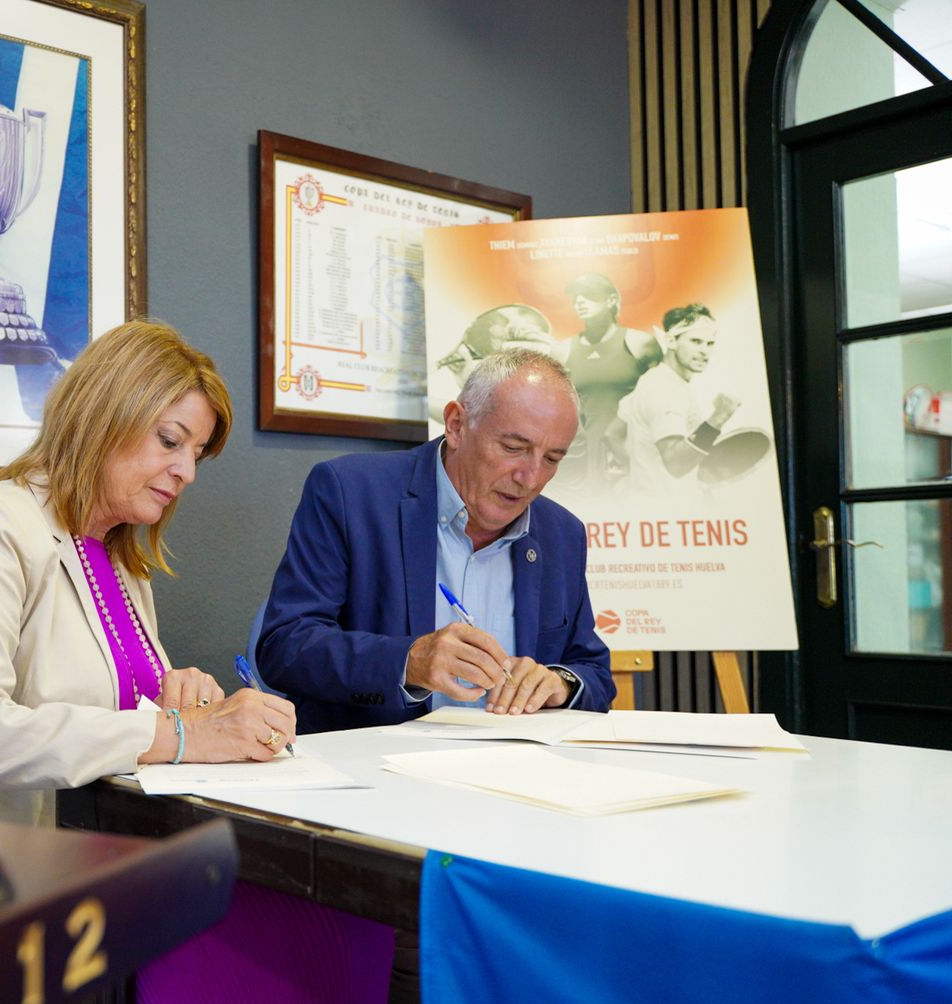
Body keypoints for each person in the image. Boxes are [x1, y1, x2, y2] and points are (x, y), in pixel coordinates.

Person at [0, 320, 392, 1004]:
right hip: (25, 882)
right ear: (104, 413)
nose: (187, 470)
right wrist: (182, 736)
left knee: (342, 924)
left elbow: (116, 711)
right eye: (171, 440)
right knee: (287, 939)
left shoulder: (120, 559)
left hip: (126, 859)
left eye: (196, 452)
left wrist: (180, 700)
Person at [258, 348, 616, 734]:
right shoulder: (350, 493)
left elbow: (594, 672)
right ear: (457, 425)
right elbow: (285, 647)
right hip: (378, 775)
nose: (530, 478)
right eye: (514, 448)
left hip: (515, 775)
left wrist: (559, 683)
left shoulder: (562, 533)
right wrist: (409, 661)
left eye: (552, 459)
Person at [606, 303, 741, 494]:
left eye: (710, 343)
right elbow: (676, 464)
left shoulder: (652, 380)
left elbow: (611, 434)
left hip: (654, 504)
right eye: (695, 341)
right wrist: (718, 418)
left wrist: (641, 473)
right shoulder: (665, 389)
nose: (704, 351)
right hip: (668, 507)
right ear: (671, 342)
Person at [557, 272, 662, 491]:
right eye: (576, 297)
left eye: (589, 295)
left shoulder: (640, 343)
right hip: (585, 457)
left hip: (631, 450)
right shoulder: (562, 350)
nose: (580, 302)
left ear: (611, 300)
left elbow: (660, 402)